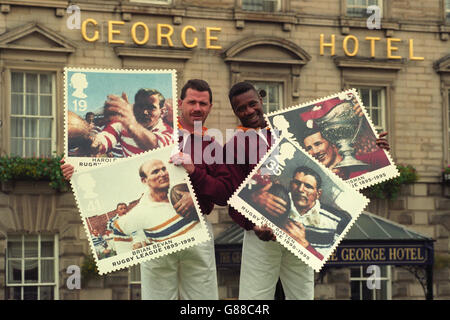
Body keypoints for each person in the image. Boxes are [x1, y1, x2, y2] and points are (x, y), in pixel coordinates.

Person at [224, 82, 314, 300]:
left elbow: (327, 165)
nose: (249, 111)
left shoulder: (291, 132)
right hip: (260, 234)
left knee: (303, 296)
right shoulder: (233, 146)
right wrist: (253, 225)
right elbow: (232, 199)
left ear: (261, 101)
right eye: (241, 109)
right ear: (235, 112)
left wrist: (377, 149)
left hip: (298, 228)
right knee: (254, 298)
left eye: (252, 104)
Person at [91, 88, 173, 157]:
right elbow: (106, 138)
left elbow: (155, 145)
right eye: (140, 107)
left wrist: (131, 124)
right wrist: (95, 143)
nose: (144, 112)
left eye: (151, 108)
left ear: (162, 112)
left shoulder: (169, 132)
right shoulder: (123, 125)